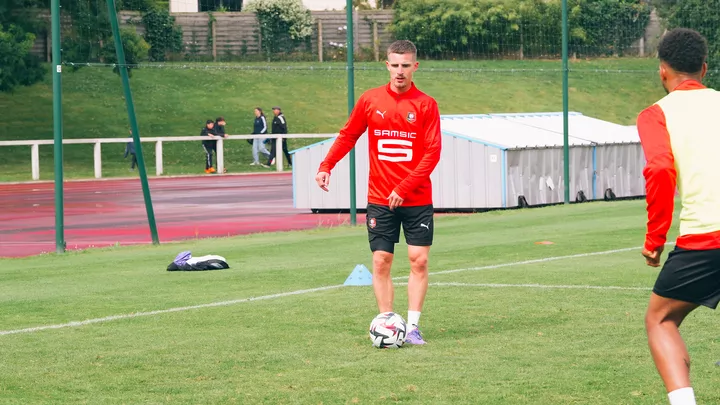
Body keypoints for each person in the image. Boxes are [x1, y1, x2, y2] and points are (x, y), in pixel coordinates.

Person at [315, 40, 442, 345]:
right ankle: (387, 322)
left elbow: (433, 153)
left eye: (406, 65)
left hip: (416, 199)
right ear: (387, 65)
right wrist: (326, 165)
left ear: (415, 67)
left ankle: (412, 328)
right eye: (395, 65)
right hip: (380, 199)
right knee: (382, 260)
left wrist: (404, 187)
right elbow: (348, 135)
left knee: (418, 261)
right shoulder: (370, 100)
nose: (400, 71)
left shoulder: (426, 104)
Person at [637, 27, 720, 405]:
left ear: (662, 72)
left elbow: (659, 171)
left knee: (661, 319)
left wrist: (655, 241)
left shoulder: (656, 114)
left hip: (706, 239)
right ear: (705, 69)